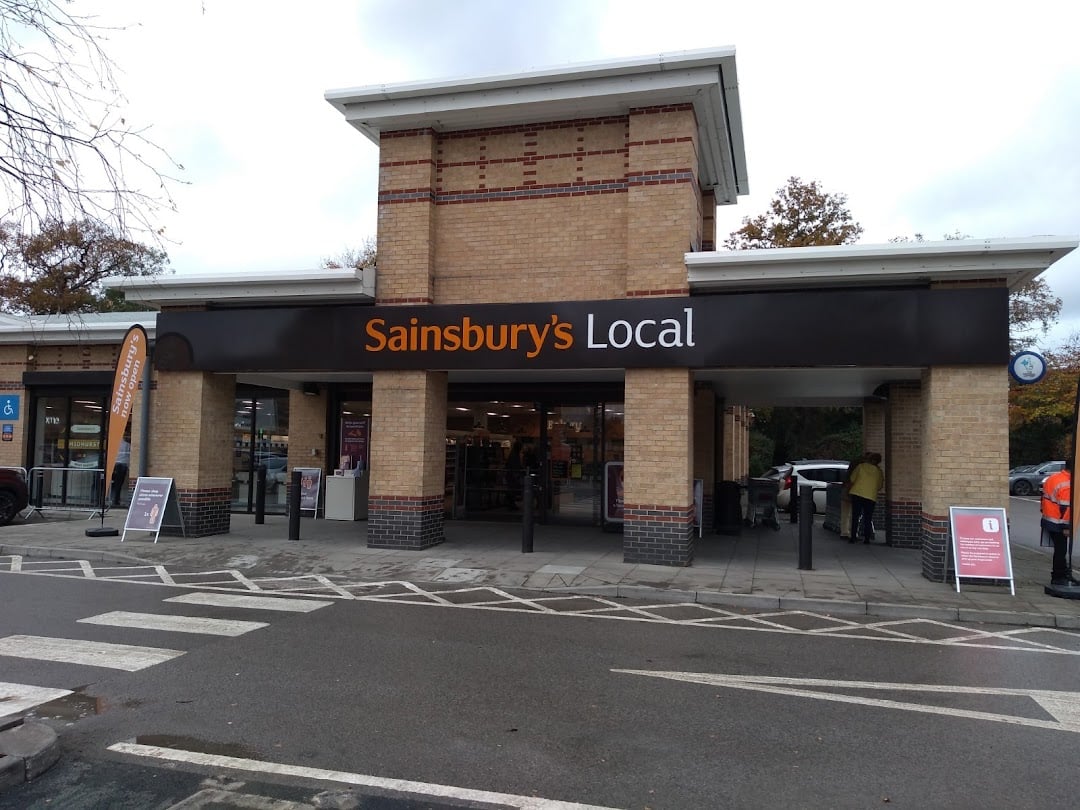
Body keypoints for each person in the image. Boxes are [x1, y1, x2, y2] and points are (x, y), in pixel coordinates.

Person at [1041, 460, 1077, 586]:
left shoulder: (1054, 477)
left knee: (1059, 550)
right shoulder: (1067, 484)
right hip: (1059, 523)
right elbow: (1066, 507)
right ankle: (1058, 577)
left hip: (1049, 519)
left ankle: (1063, 574)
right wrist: (1067, 527)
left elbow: (1045, 497)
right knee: (1061, 551)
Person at [847, 452, 884, 544]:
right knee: (868, 518)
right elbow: (879, 486)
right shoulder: (879, 472)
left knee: (855, 516)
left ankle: (853, 537)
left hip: (857, 494)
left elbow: (852, 479)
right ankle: (867, 539)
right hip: (870, 496)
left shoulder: (860, 467)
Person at [110, 433, 131, 507]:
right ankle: (116, 500)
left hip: (114, 465)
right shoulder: (127, 445)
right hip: (123, 465)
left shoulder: (113, 444)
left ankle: (112, 499)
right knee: (119, 484)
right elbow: (129, 455)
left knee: (113, 483)